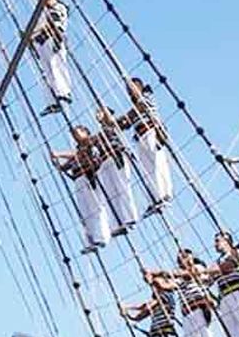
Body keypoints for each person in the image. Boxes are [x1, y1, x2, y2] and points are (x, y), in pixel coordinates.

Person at [112, 76, 173, 209]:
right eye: (128, 89)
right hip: (141, 136)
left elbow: (139, 109)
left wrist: (120, 119)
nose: (129, 91)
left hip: (151, 131)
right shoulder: (135, 106)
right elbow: (127, 123)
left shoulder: (146, 97)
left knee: (157, 163)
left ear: (139, 86)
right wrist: (115, 124)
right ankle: (155, 198)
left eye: (131, 88)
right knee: (147, 169)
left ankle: (164, 195)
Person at [53, 127, 112, 253]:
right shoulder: (78, 151)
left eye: (77, 132)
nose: (75, 135)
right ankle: (90, 240)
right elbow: (67, 165)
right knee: (84, 212)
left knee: (96, 207)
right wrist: (58, 165)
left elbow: (77, 155)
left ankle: (101, 237)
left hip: (89, 176)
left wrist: (60, 154)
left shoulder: (90, 143)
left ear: (86, 132)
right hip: (79, 179)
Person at [93, 108, 141, 232]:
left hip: (116, 156)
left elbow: (123, 121)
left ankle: (130, 217)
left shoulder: (113, 125)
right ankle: (118, 222)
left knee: (122, 187)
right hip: (105, 161)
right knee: (111, 193)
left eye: (100, 112)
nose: (98, 115)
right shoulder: (99, 134)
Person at [32, 0, 73, 115]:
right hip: (42, 42)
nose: (47, 1)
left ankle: (63, 93)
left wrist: (33, 33)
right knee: (46, 71)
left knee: (56, 66)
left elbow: (54, 24)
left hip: (52, 38)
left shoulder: (58, 7)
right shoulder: (44, 13)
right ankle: (52, 101)